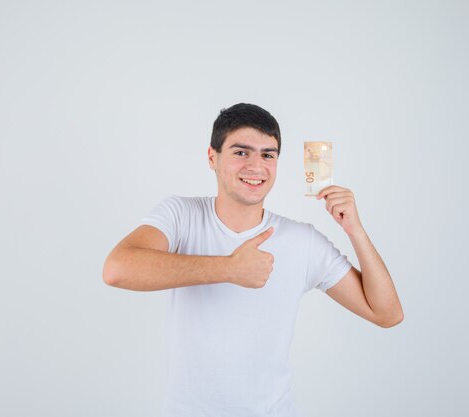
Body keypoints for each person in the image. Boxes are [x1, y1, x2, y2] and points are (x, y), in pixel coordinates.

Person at [103, 103, 403, 417]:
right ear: (212, 158)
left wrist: (355, 230)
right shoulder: (181, 215)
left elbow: (387, 314)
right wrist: (230, 268)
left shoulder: (302, 240)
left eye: (267, 155)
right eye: (241, 152)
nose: (256, 166)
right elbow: (118, 268)